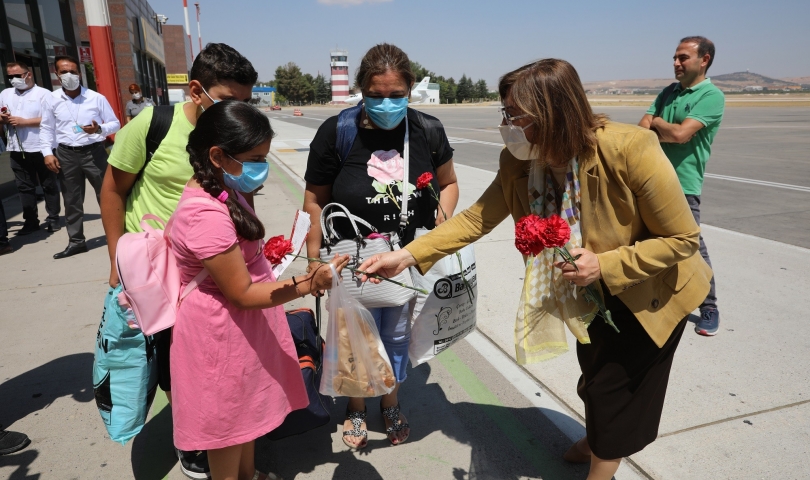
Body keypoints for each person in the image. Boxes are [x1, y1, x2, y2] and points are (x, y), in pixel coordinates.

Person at [358, 59, 712, 480]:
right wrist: (408, 256)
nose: (506, 123)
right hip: (586, 293)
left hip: (648, 292)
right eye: (504, 112)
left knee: (616, 391)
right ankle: (597, 439)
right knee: (594, 375)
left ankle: (603, 462)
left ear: (553, 113)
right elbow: (476, 220)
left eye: (515, 114)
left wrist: (606, 263)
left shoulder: (629, 148)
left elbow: (682, 239)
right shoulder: (520, 161)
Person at [100, 43, 258, 479]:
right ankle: (193, 441)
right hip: (160, 273)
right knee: (172, 365)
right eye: (229, 100)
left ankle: (213, 433)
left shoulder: (228, 137)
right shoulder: (153, 125)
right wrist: (116, 256)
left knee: (209, 365)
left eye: (245, 102)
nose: (237, 110)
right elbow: (113, 189)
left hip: (211, 271)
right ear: (195, 90)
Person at [171, 100, 349, 480]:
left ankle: (249, 474)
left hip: (241, 328)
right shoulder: (204, 215)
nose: (260, 168)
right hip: (221, 332)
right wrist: (307, 284)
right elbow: (241, 293)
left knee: (244, 412)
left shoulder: (221, 189)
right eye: (254, 158)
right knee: (227, 428)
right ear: (217, 155)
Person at [303, 43, 459, 450]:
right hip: (348, 258)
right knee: (352, 336)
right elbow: (314, 200)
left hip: (403, 257)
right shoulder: (338, 132)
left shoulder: (427, 130)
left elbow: (449, 183)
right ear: (360, 89)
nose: (386, 103)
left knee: (394, 337)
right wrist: (313, 260)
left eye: (396, 95)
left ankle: (390, 402)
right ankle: (356, 406)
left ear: (410, 89)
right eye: (376, 95)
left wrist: (439, 231)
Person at [638, 36, 724, 337]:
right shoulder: (667, 92)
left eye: (683, 57)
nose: (676, 63)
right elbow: (641, 130)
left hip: (683, 186)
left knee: (691, 248)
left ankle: (709, 306)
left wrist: (659, 123)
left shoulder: (711, 96)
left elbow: (678, 135)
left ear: (704, 60)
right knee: (647, 242)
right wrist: (664, 126)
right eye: (675, 57)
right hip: (650, 179)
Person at [39, 55, 120, 259]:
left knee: (107, 196)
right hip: (66, 154)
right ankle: (76, 241)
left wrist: (98, 128)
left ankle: (118, 238)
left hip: (94, 152)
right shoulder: (51, 99)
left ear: (80, 73)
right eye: (64, 72)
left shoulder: (95, 98)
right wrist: (47, 153)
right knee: (72, 200)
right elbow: (46, 127)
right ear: (56, 74)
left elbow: (114, 123)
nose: (69, 75)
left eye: (73, 71)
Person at [0, 61, 61, 234]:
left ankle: (53, 218)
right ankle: (31, 220)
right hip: (17, 148)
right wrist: (4, 118)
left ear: (28, 75)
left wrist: (25, 122)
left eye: (17, 76)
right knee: (24, 187)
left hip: (42, 147)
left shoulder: (44, 94)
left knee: (48, 184)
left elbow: (53, 119)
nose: (13, 79)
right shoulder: (5, 93)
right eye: (10, 76)